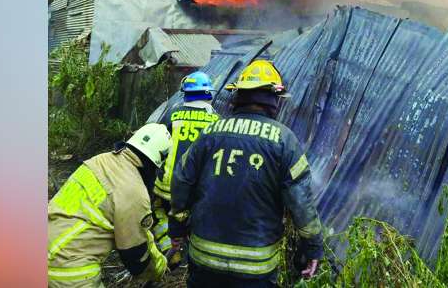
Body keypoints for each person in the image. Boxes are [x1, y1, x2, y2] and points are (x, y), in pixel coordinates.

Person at [169, 60, 324, 287]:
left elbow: (181, 180)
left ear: (238, 95)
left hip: (204, 260)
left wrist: (177, 227)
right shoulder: (284, 140)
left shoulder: (210, 133)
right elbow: (301, 201)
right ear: (274, 98)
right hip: (255, 268)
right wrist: (312, 246)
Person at [47, 123, 171, 287]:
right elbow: (135, 258)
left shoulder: (100, 161)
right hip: (70, 271)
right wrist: (159, 270)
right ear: (156, 163)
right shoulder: (135, 192)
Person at [148, 72, 221, 263]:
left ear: (185, 93)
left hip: (167, 185)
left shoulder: (173, 112)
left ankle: (170, 251)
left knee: (159, 211)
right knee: (194, 217)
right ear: (208, 94)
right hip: (198, 188)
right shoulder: (216, 120)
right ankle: (194, 253)